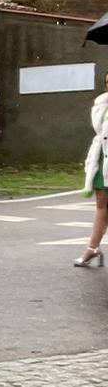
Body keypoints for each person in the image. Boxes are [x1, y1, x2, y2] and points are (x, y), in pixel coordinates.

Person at [74, 67, 108, 268]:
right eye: (107, 84)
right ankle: (93, 248)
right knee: (102, 205)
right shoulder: (101, 105)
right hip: (102, 161)